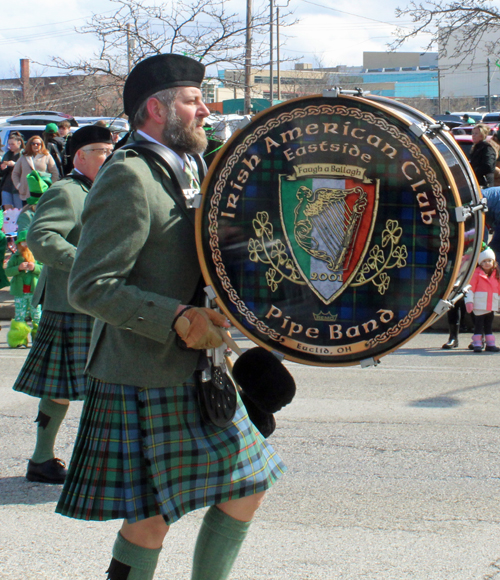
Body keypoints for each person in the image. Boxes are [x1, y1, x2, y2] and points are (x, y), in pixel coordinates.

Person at [56, 53, 285, 580]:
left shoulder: (192, 166)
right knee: (149, 523)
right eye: (193, 100)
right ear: (156, 110)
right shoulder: (129, 176)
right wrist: (178, 316)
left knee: (248, 485)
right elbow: (90, 285)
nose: (206, 109)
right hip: (142, 371)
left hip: (198, 367)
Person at [11, 125, 114, 484]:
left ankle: (51, 460)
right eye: (101, 150)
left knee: (86, 389)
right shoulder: (67, 192)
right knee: (64, 390)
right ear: (80, 156)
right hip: (69, 303)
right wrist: (87, 262)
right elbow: (41, 239)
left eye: (110, 149)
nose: (109, 156)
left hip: (92, 302)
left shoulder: (101, 191)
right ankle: (43, 458)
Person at [4, 229, 42, 348]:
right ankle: (19, 340)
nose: (25, 245)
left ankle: (39, 341)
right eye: (23, 243)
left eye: (27, 242)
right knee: (20, 316)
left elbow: (44, 271)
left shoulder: (37, 255)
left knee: (37, 316)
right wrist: (18, 268)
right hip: (20, 293)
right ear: (19, 244)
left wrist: (34, 267)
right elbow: (8, 272)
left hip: (34, 292)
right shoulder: (15, 257)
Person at [465, 246, 500, 352]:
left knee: (489, 325)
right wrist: (469, 301)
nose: (487, 263)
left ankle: (490, 344)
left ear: (493, 261)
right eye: (484, 261)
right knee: (479, 325)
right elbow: (469, 289)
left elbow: (498, 291)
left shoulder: (496, 275)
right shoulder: (476, 274)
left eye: (489, 261)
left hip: (491, 305)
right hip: (479, 304)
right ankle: (477, 343)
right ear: (480, 263)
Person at [12, 135, 59, 203]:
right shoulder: (24, 157)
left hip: (42, 192)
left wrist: (49, 187)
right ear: (30, 145)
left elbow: (55, 173)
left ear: (41, 145)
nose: (36, 145)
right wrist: (19, 186)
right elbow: (15, 173)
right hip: (26, 192)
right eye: (33, 143)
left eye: (38, 144)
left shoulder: (47, 156)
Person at [0, 131, 25, 209]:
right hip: (7, 185)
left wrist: (15, 164)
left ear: (19, 143)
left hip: (18, 187)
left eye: (12, 144)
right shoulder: (8, 154)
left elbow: (26, 169)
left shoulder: (24, 154)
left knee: (18, 209)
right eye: (9, 144)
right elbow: (1, 173)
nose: (10, 146)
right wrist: (2, 168)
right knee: (7, 210)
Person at [470, 123, 497, 188]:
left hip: (485, 184)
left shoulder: (487, 148)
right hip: (477, 182)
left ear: (482, 135)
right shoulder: (476, 148)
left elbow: (488, 166)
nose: (473, 136)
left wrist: (474, 171)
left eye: (476, 134)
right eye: (473, 133)